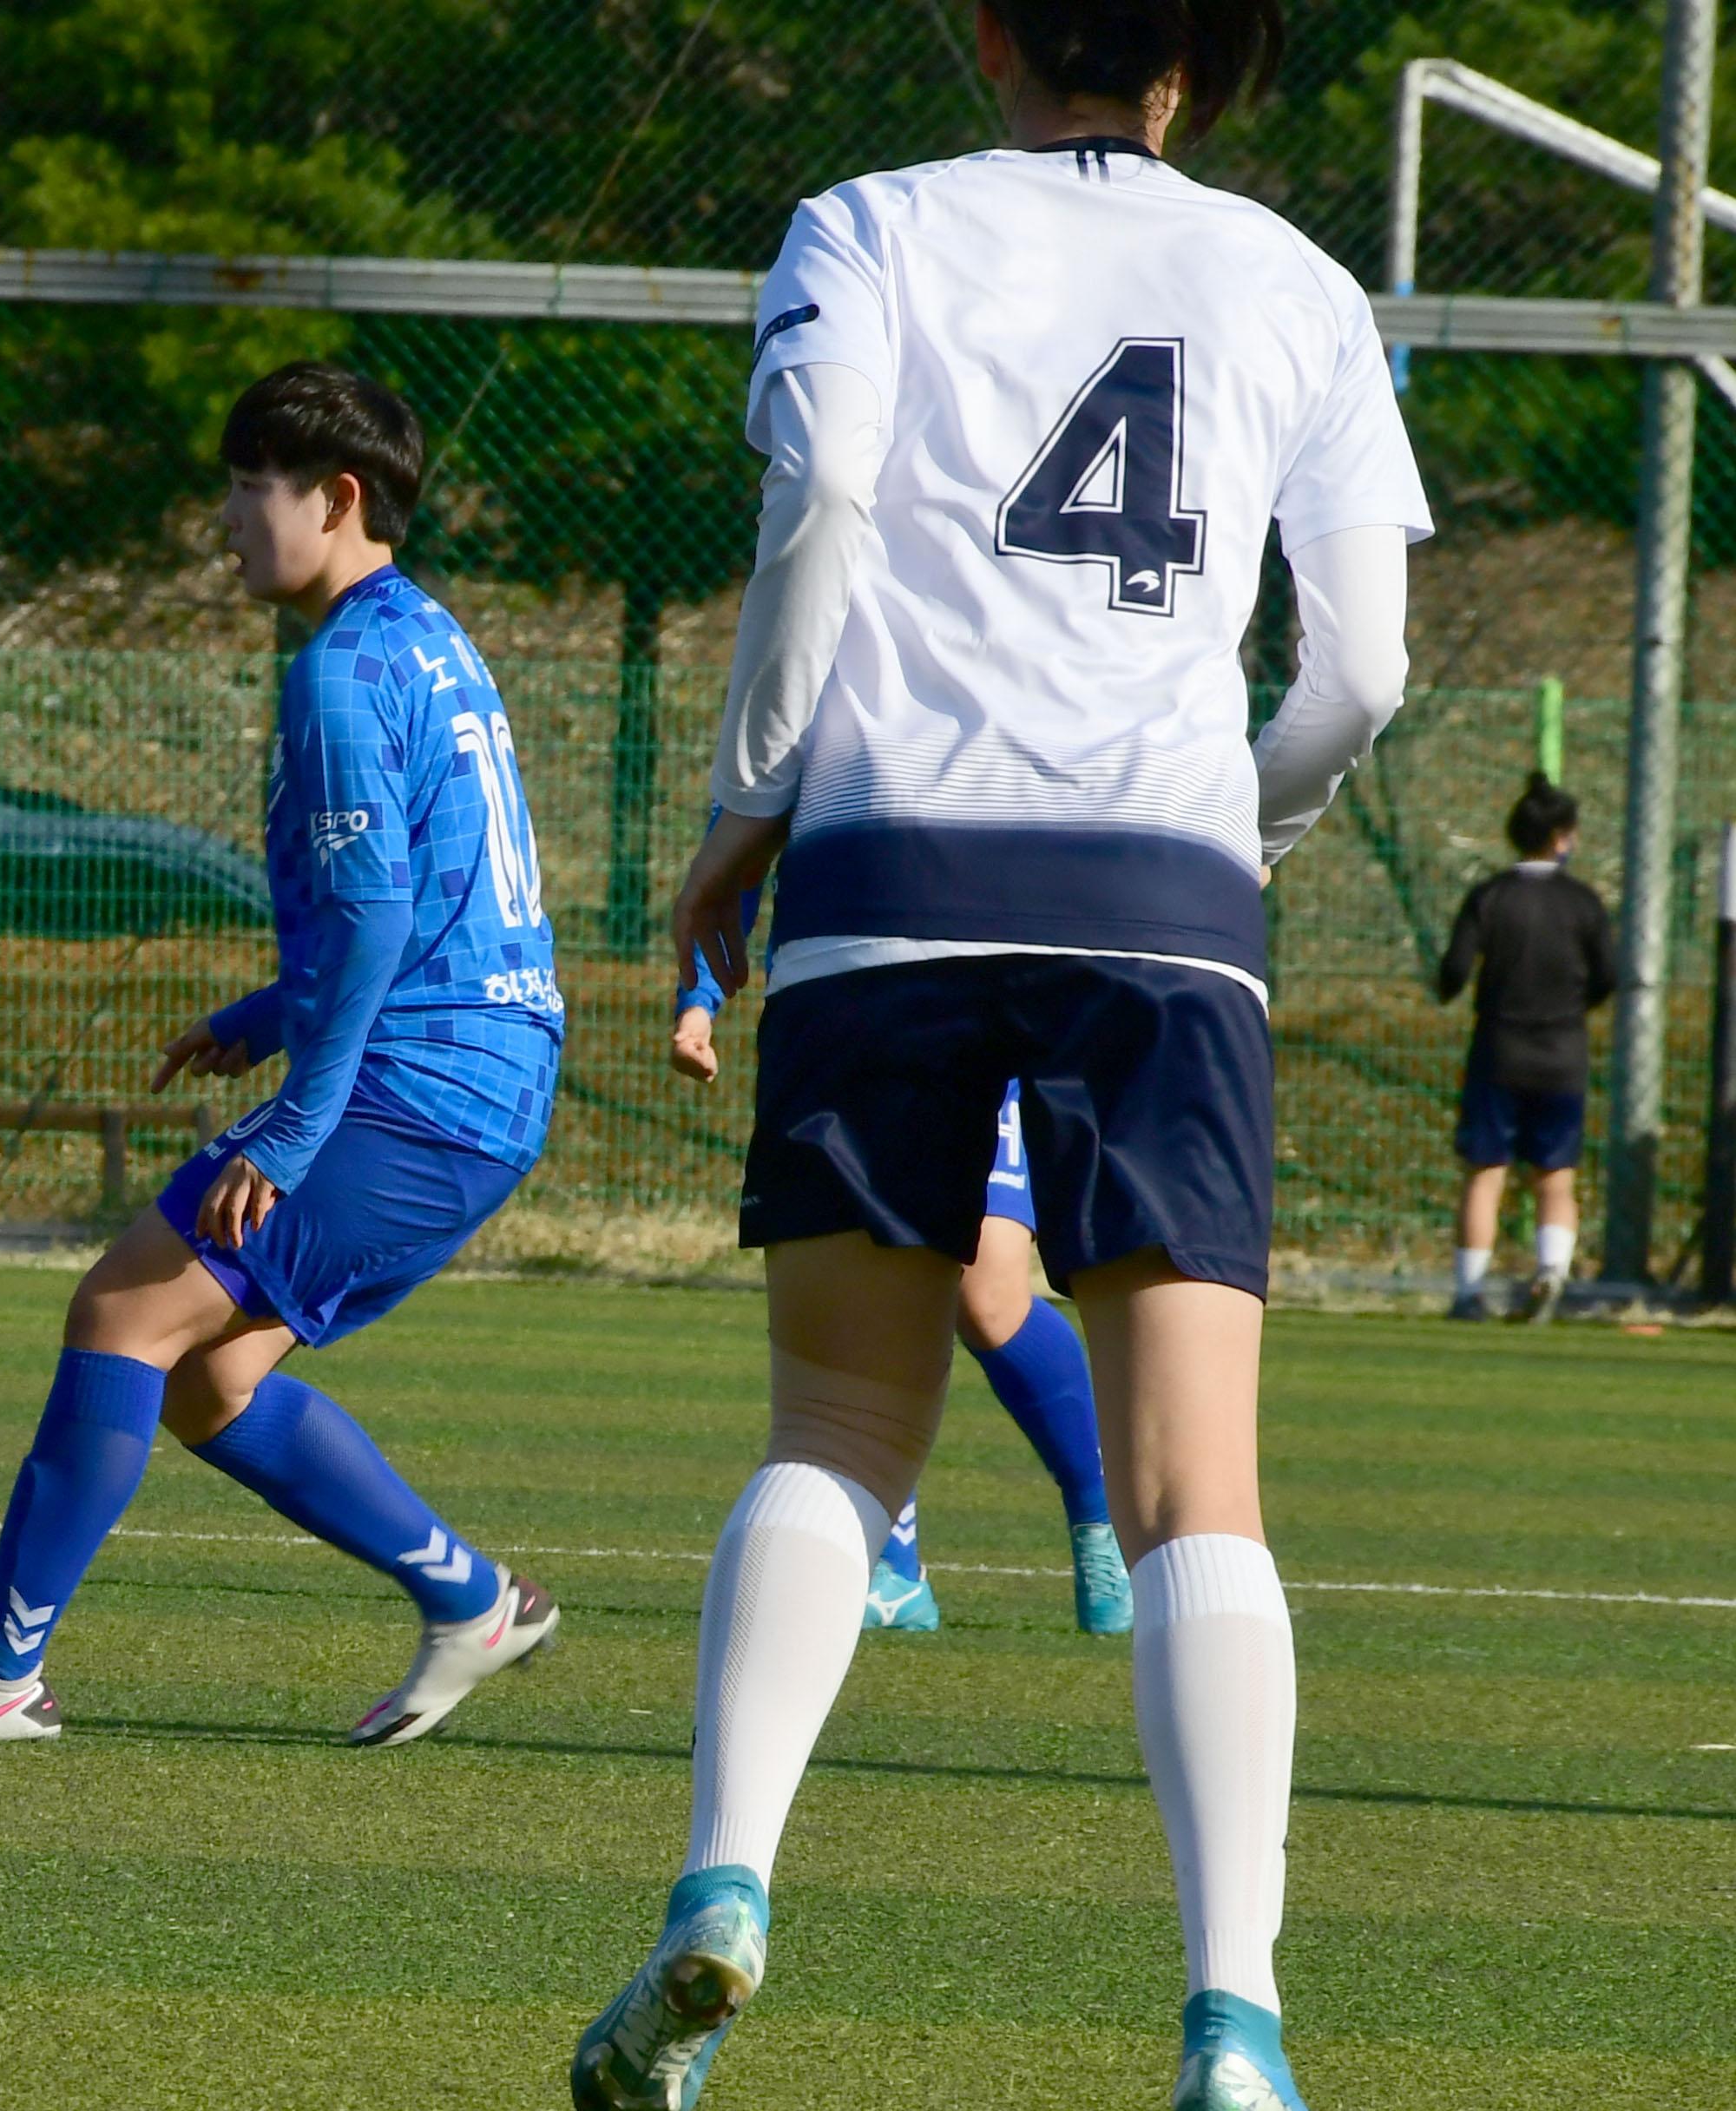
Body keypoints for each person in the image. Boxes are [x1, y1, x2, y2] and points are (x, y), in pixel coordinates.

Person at [569, 3, 1425, 2107]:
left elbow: (829, 493)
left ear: (982, 28)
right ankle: (1236, 2019)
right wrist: (1242, 829)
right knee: (1191, 1485)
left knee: (842, 1425)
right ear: (1212, 60)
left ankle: (723, 1886)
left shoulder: (862, 224)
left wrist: (742, 813)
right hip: (1165, 896)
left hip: (890, 879)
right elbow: (1369, 666)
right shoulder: (1299, 283)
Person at [0, 362, 566, 1747]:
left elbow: (381, 917)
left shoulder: (337, 674)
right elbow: (426, 903)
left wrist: (289, 1128)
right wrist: (265, 1019)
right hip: (485, 1082)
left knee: (120, 1314)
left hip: (420, 1090)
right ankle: (470, 1599)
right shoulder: (429, 638)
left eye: (246, 489)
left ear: (335, 499)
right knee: (210, 1381)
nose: (224, 520)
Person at [677, 927, 1129, 1637]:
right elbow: (732, 850)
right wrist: (698, 999)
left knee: (986, 1293)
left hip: (980, 1007)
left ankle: (1100, 1518)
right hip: (837, 1017)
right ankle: (894, 1569)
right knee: (860, 1286)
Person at [1437, 773, 1613, 1323]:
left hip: (1498, 1051)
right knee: (1555, 1176)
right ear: (1562, 836)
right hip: (1562, 1054)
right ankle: (1551, 1274)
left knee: (1486, 1170)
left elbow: (1454, 973)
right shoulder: (1583, 903)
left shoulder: (1490, 897)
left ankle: (1469, 1292)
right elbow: (1610, 975)